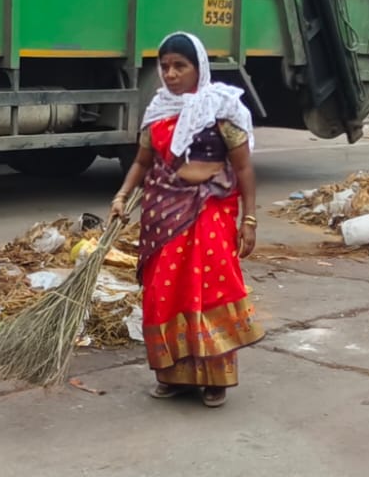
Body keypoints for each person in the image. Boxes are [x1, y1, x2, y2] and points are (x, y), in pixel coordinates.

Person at [111, 32, 263, 408]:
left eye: (180, 66)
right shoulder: (157, 111)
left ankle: (216, 378)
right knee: (166, 291)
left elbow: (243, 168)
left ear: (199, 68)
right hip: (163, 215)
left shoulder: (221, 108)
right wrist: (121, 196)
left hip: (211, 210)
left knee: (209, 288)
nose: (171, 74)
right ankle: (173, 374)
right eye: (165, 67)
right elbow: (143, 163)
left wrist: (250, 220)